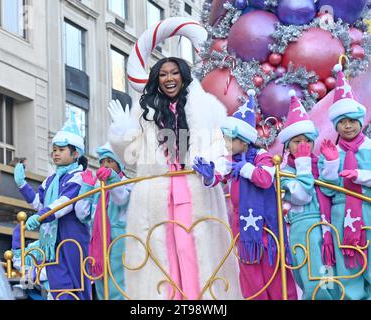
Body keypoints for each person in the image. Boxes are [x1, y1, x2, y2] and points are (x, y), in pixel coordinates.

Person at [108, 57, 241, 300]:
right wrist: (121, 133)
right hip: (156, 196)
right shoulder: (146, 113)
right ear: (157, 80)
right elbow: (132, 156)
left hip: (194, 191)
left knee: (192, 250)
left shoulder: (206, 108)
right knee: (162, 253)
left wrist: (210, 167)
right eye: (163, 74)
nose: (169, 79)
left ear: (183, 76)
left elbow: (221, 146)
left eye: (174, 73)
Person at [193, 90, 297, 300]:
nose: (227, 144)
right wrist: (208, 175)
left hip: (268, 230)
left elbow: (265, 179)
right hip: (244, 231)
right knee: (251, 278)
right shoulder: (228, 159)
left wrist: (245, 168)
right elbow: (217, 177)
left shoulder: (262, 157)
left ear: (244, 140)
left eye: (230, 139)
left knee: (274, 275)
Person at [13, 113, 92, 300]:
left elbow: (64, 203)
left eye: (61, 149)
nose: (55, 153)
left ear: (76, 154)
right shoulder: (50, 180)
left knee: (77, 285)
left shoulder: (80, 177)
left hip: (72, 238)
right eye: (54, 149)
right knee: (58, 286)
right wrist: (22, 185)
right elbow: (39, 203)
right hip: (52, 241)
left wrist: (40, 217)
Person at [278, 90, 338, 300]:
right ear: (287, 146)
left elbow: (330, 190)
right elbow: (302, 196)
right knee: (312, 277)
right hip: (303, 229)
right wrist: (303, 164)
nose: (302, 146)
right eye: (296, 141)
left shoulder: (318, 164)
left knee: (330, 275)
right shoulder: (284, 172)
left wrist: (331, 166)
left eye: (307, 140)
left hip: (327, 225)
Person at [318, 63, 371, 300]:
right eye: (342, 121)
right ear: (335, 125)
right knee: (348, 269)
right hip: (341, 217)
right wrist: (330, 165)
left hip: (368, 212)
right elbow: (326, 192)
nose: (347, 125)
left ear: (361, 121)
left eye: (351, 120)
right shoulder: (331, 152)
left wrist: (361, 176)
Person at [77, 142, 132, 300]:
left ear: (119, 164)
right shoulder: (97, 189)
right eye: (102, 162)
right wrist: (86, 188)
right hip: (98, 243)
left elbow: (121, 199)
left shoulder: (128, 183)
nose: (105, 165)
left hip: (120, 241)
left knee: (117, 287)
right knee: (101, 289)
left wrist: (113, 180)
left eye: (110, 161)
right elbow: (82, 214)